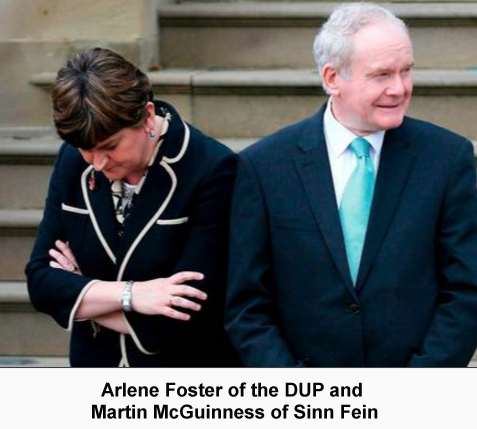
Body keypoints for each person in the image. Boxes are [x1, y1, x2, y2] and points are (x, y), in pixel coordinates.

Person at [226, 3, 477, 367]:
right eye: (381, 75)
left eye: (406, 71)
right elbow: (247, 305)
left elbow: (467, 290)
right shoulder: (264, 167)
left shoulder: (447, 158)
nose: (399, 88)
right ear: (332, 79)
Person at [26, 47, 237, 367]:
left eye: (110, 147)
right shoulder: (72, 160)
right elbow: (41, 284)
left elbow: (184, 317)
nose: (97, 163)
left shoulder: (212, 168)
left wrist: (80, 293)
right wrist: (133, 295)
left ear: (148, 116)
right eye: (87, 150)